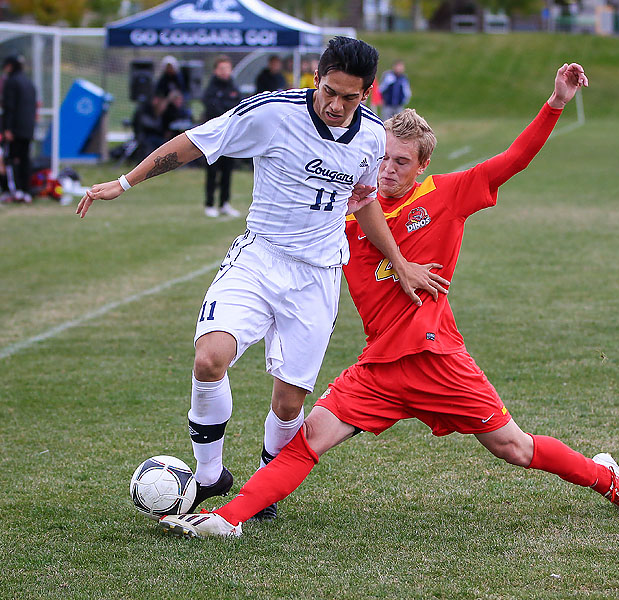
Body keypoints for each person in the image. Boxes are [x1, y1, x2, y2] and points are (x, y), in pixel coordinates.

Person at [158, 62, 619, 540]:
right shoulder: (344, 214)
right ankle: (228, 519)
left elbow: (514, 159)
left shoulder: (448, 195)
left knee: (514, 448)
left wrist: (556, 103)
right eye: (383, 158)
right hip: (380, 368)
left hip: (438, 359)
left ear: (423, 165)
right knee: (308, 440)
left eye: (402, 162)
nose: (388, 170)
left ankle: (603, 475)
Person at [76, 37, 445, 516]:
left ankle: (268, 485)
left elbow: (365, 198)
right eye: (328, 90)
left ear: (367, 93)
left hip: (316, 277)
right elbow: (195, 142)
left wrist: (398, 261)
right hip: (260, 258)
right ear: (317, 75)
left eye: (348, 97)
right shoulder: (273, 112)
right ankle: (210, 476)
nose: (334, 104)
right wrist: (125, 182)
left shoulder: (373, 136)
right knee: (210, 358)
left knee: (290, 403)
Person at [200, 56, 243, 218]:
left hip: (231, 137)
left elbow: (239, 107)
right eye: (222, 68)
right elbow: (214, 110)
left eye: (227, 68)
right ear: (215, 70)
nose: (225, 72)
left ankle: (224, 203)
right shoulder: (211, 89)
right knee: (212, 171)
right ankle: (209, 204)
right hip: (214, 137)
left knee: (227, 171)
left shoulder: (233, 87)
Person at [1, 55, 37, 203]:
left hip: (15, 130)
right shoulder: (29, 82)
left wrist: (7, 128)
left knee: (12, 160)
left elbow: (9, 107)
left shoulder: (11, 82)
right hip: (28, 129)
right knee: (25, 159)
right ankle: (26, 191)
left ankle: (14, 191)